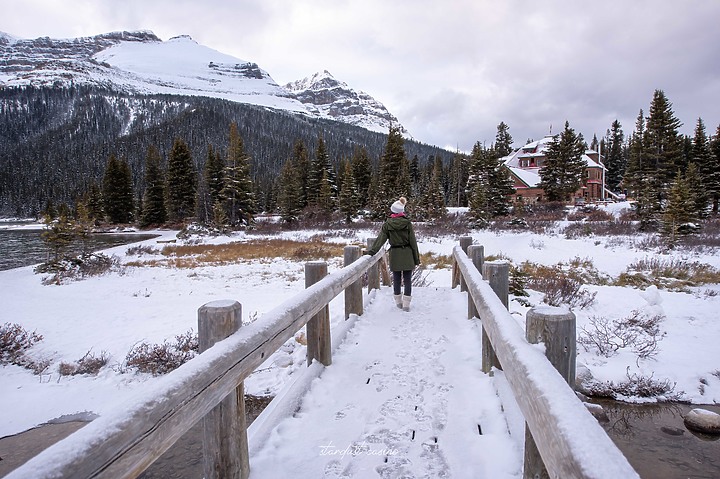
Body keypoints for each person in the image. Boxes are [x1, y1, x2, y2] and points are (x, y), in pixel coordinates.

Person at [365, 197, 420, 311]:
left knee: (396, 279)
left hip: (395, 253)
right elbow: (413, 242)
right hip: (407, 253)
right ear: (401, 211)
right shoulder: (407, 223)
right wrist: (416, 258)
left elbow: (381, 240)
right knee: (407, 279)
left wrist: (372, 252)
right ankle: (406, 305)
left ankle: (398, 303)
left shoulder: (387, 224)